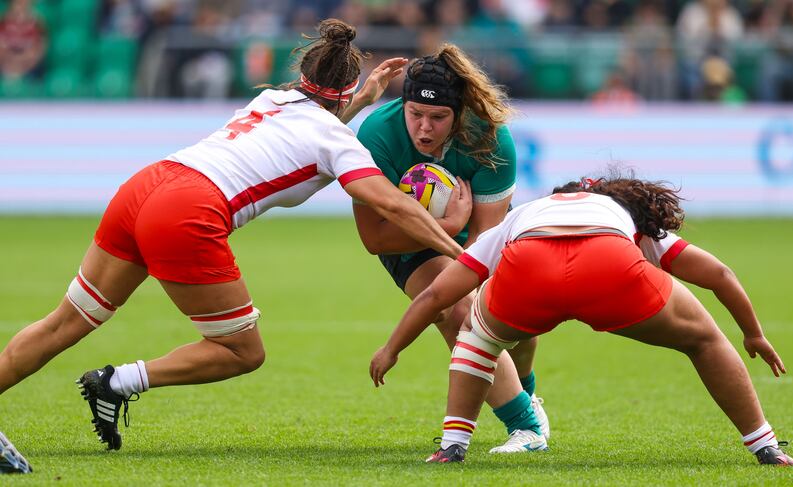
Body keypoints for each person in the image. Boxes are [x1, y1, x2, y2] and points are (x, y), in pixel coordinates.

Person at [0, 19, 469, 452]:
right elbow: (389, 201)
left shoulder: (270, 100)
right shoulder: (338, 141)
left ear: (305, 77)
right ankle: (117, 381)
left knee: (65, 322)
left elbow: (311, 131)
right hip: (187, 210)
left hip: (147, 184)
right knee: (242, 352)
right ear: (345, 92)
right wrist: (460, 251)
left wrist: (362, 98)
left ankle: (103, 384)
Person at [370, 176, 793, 466]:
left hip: (530, 267)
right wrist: (753, 333)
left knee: (476, 340)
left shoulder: (524, 215)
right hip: (608, 264)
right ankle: (765, 447)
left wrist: (392, 348)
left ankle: (452, 447)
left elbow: (438, 294)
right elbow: (719, 274)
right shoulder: (622, 216)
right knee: (704, 341)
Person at [350, 43, 549, 453]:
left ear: (459, 114)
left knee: (519, 325)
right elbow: (375, 239)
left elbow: (481, 244)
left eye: (438, 117)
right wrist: (447, 225)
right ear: (402, 106)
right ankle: (527, 429)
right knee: (458, 310)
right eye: (415, 114)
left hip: (480, 238)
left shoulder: (492, 140)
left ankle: (526, 394)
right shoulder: (376, 135)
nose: (424, 128)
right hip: (410, 240)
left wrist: (459, 234)